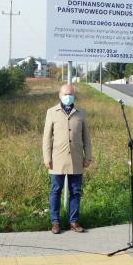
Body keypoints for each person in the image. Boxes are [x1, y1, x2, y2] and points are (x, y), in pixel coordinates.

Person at [42, 84, 92, 234]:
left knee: (76, 191)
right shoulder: (51, 112)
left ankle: (74, 221)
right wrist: (47, 157)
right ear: (60, 95)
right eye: (65, 94)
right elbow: (46, 138)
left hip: (76, 159)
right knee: (55, 191)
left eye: (70, 94)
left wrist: (88, 156)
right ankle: (55, 222)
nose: (68, 97)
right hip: (56, 160)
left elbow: (87, 138)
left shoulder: (81, 113)